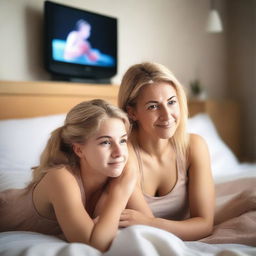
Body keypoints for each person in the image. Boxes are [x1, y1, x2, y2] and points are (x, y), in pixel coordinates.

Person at [0, 99, 152, 252]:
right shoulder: (60, 177)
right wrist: (120, 191)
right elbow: (94, 244)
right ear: (79, 150)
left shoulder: (119, 173)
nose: (119, 153)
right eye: (105, 142)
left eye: (123, 140)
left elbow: (150, 225)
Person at [117, 62, 215, 241]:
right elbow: (151, 236)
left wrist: (149, 223)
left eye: (171, 102)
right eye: (153, 106)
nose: (167, 115)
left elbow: (205, 225)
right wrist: (150, 224)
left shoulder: (194, 146)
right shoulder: (123, 154)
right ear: (132, 113)